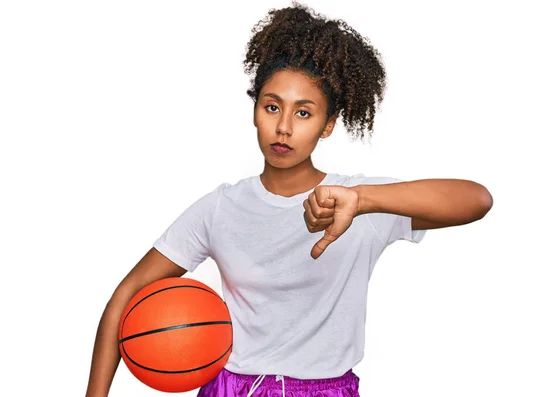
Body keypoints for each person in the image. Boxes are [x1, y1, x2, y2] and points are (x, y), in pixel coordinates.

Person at [85, 3, 493, 396]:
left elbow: (477, 199)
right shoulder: (220, 208)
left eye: (303, 113)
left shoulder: (359, 201)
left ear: (328, 125)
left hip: (325, 390)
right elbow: (126, 296)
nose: (283, 127)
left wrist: (363, 199)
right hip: (233, 388)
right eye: (272, 107)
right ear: (255, 111)